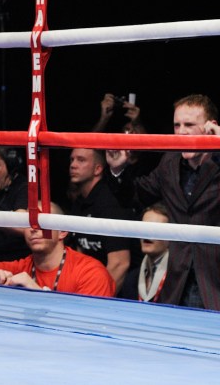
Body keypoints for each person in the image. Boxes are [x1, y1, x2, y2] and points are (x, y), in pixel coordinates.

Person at [125, 94, 220, 310]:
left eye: (189, 125)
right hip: (178, 285)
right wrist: (120, 169)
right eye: (177, 125)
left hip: (215, 284)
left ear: (211, 126)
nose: (181, 132)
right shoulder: (170, 161)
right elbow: (139, 196)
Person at [0, 203, 117, 298]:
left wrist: (36, 291)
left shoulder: (90, 272)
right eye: (29, 223)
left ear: (63, 231)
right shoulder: (21, 267)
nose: (34, 229)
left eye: (41, 222)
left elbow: (90, 324)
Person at [65, 147, 134, 292]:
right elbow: (81, 252)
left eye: (81, 160)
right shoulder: (79, 203)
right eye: (72, 159)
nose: (73, 165)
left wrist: (95, 300)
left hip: (120, 294)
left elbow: (120, 264)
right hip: (90, 283)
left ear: (97, 169)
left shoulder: (110, 202)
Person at [117, 202, 170, 303]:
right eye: (144, 228)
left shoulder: (180, 279)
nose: (147, 234)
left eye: (156, 229)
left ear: (172, 236)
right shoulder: (131, 278)